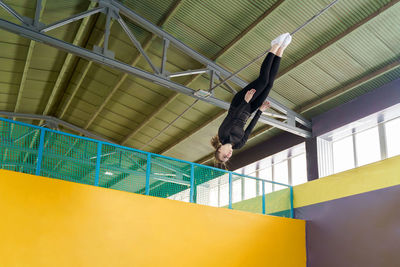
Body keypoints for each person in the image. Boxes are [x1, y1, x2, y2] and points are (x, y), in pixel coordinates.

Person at [210, 33, 292, 167]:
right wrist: (259, 111)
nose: (228, 155)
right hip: (250, 108)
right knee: (269, 84)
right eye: (227, 158)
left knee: (263, 80)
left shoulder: (223, 134)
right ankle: (281, 50)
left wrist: (245, 101)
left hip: (239, 104)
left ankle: (274, 45)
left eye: (224, 155)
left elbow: (234, 116)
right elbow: (249, 128)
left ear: (219, 149)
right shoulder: (239, 144)